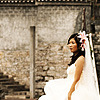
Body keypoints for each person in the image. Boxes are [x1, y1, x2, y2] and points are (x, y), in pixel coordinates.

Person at [38, 31, 100, 100]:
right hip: (69, 83)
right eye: (69, 43)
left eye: (73, 43)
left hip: (76, 86)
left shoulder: (81, 59)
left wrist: (70, 93)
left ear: (79, 45)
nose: (70, 45)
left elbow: (77, 79)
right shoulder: (76, 59)